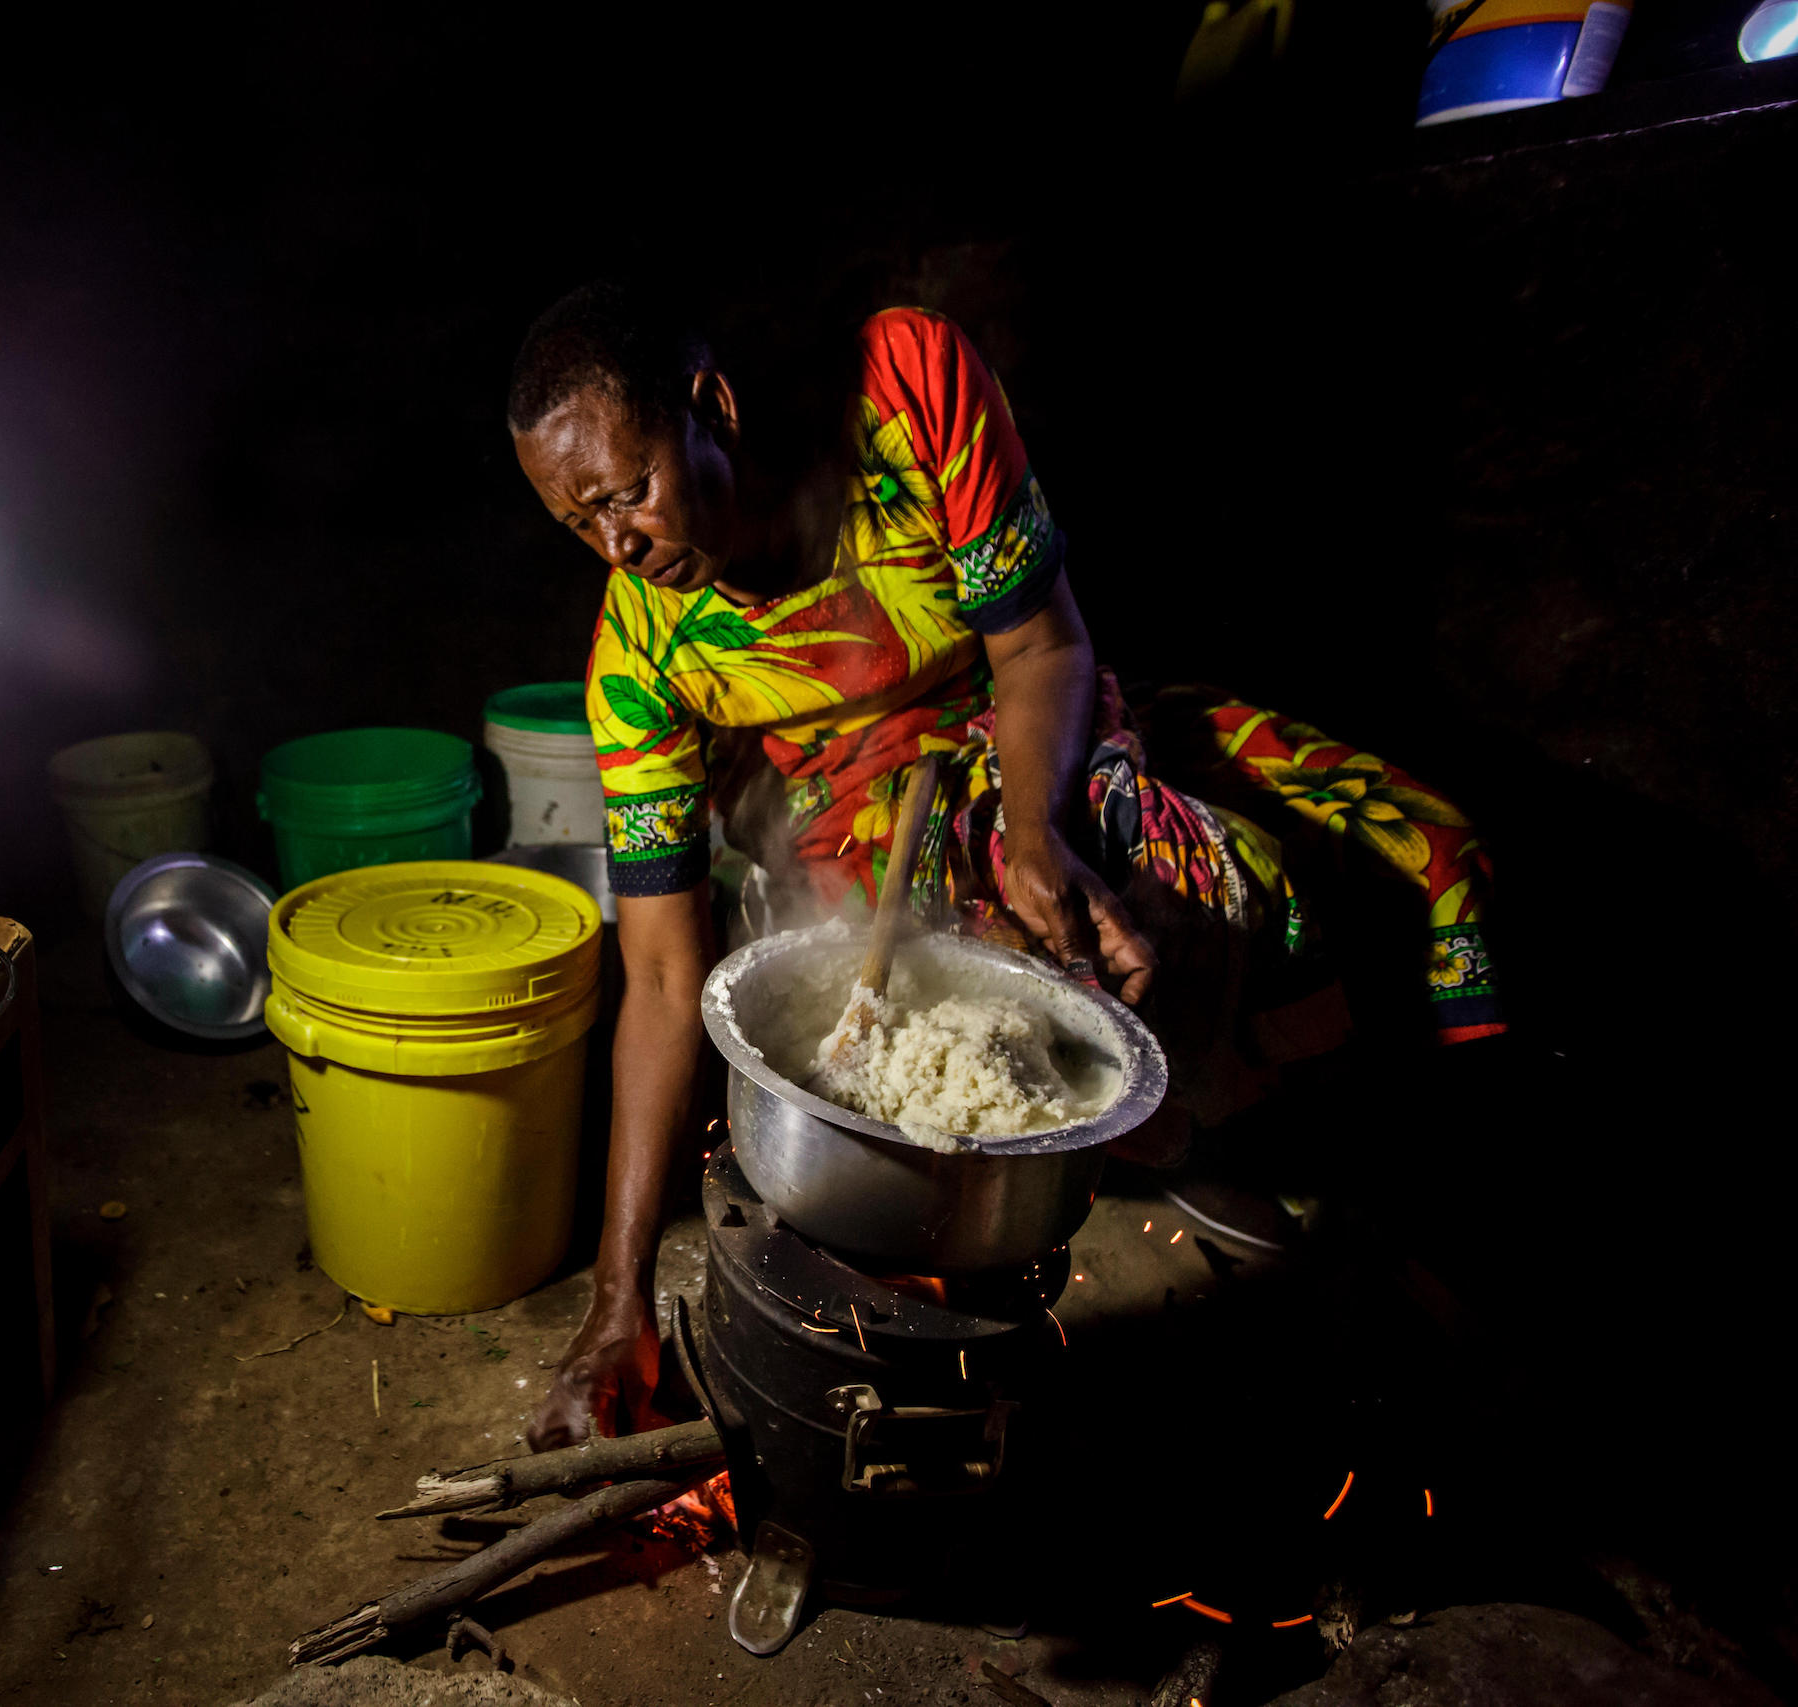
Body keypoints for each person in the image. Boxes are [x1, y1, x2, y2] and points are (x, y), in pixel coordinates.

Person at [507, 282, 1502, 1451]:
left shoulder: (900, 395)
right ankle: (1197, 1144)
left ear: (708, 406)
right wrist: (616, 1300)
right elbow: (668, 979)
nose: (617, 544)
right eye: (579, 525)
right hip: (865, 834)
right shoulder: (639, 657)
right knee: (1059, 935)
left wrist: (1037, 826)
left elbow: (1040, 644)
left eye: (628, 494)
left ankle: (1439, 1212)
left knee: (1422, 848)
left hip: (1049, 723)